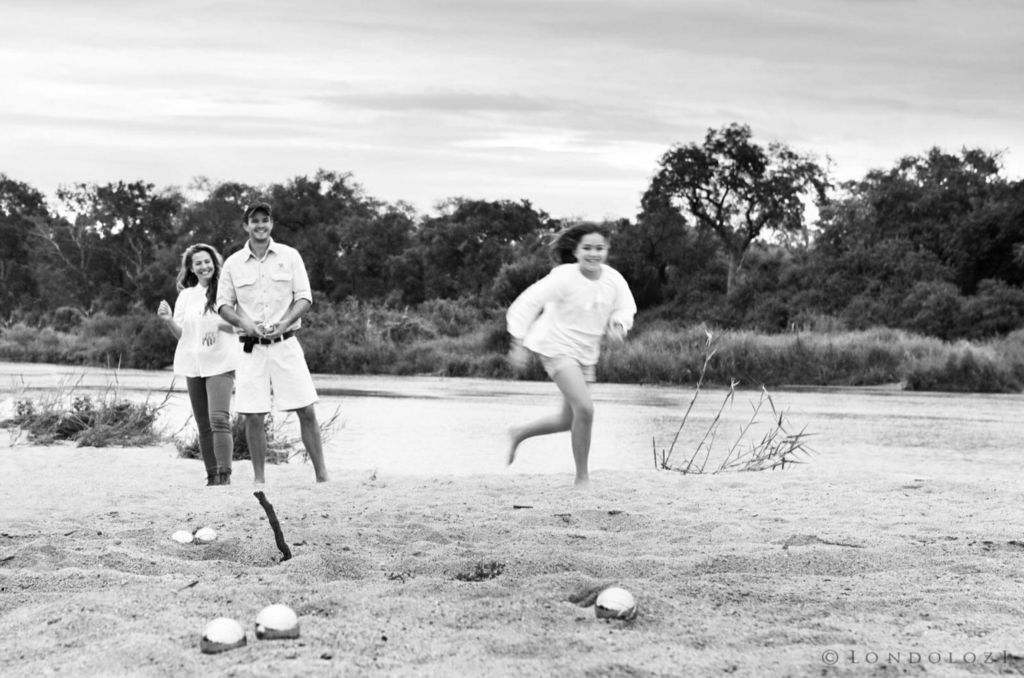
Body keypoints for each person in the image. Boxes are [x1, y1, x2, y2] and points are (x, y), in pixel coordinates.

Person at [506, 222, 637, 489]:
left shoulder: (614, 279)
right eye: (587, 248)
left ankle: (519, 432)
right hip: (555, 347)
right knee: (586, 409)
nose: (593, 253)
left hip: (586, 353)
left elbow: (625, 308)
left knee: (570, 419)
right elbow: (528, 302)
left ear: (607, 250)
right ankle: (582, 479)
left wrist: (618, 326)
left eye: (599, 248)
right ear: (576, 251)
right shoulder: (564, 277)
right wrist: (518, 342)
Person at [215, 202, 329, 484]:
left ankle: (322, 476)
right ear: (246, 226)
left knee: (306, 409)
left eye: (265, 220)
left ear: (271, 224)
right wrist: (245, 323)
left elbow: (304, 297)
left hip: (286, 343)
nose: (260, 225)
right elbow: (222, 305)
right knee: (253, 415)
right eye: (254, 221)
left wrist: (285, 322)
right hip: (249, 348)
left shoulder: (290, 256)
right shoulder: (232, 263)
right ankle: (259, 480)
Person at [158, 244, 239, 486]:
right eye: (198, 263)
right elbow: (181, 334)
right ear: (191, 269)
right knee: (203, 423)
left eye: (207, 261)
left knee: (219, 418)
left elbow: (241, 325)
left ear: (215, 263)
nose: (204, 266)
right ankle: (212, 476)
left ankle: (225, 476)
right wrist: (168, 320)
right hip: (193, 365)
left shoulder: (227, 291)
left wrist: (216, 325)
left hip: (221, 362)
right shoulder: (186, 296)